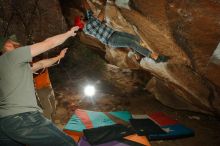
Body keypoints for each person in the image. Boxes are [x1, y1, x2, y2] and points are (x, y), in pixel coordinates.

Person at [0, 26, 79, 146]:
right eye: (12, 44)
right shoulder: (13, 56)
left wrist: (58, 57)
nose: (17, 46)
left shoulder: (11, 65)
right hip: (23, 118)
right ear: (6, 47)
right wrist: (68, 33)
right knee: (68, 143)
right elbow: (48, 44)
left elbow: (41, 64)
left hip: (5, 123)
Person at [74, 0, 169, 63]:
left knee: (136, 38)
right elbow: (101, 17)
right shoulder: (88, 27)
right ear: (82, 24)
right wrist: (105, 4)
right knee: (131, 43)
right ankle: (154, 57)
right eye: (81, 18)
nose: (82, 17)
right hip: (111, 40)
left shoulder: (89, 20)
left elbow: (88, 9)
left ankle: (136, 53)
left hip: (114, 33)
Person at [33, 48, 67, 121]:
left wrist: (59, 56)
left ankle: (53, 120)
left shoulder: (44, 63)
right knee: (48, 109)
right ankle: (47, 125)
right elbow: (36, 73)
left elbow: (52, 60)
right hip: (41, 90)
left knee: (53, 107)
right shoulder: (33, 67)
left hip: (49, 87)